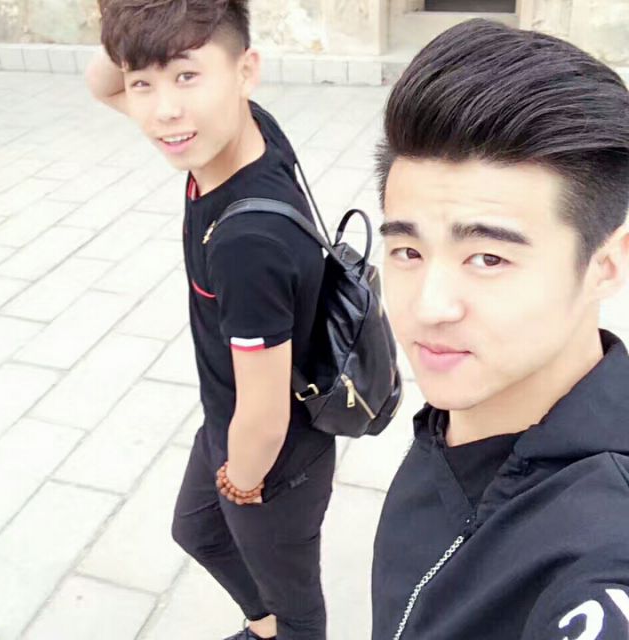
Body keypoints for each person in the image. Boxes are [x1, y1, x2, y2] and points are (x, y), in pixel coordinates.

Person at [372, 18, 629, 640]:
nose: (430, 306)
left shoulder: (601, 553)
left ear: (607, 265)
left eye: (488, 258)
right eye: (408, 251)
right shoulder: (462, 414)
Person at [86, 2, 335, 639]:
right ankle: (263, 628)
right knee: (197, 530)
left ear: (246, 70)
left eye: (186, 76)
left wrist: (241, 482)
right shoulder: (243, 128)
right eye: (143, 82)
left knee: (298, 608)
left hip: (276, 459)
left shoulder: (246, 244)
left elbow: (265, 415)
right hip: (229, 421)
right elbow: (102, 83)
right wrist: (131, 22)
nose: (164, 111)